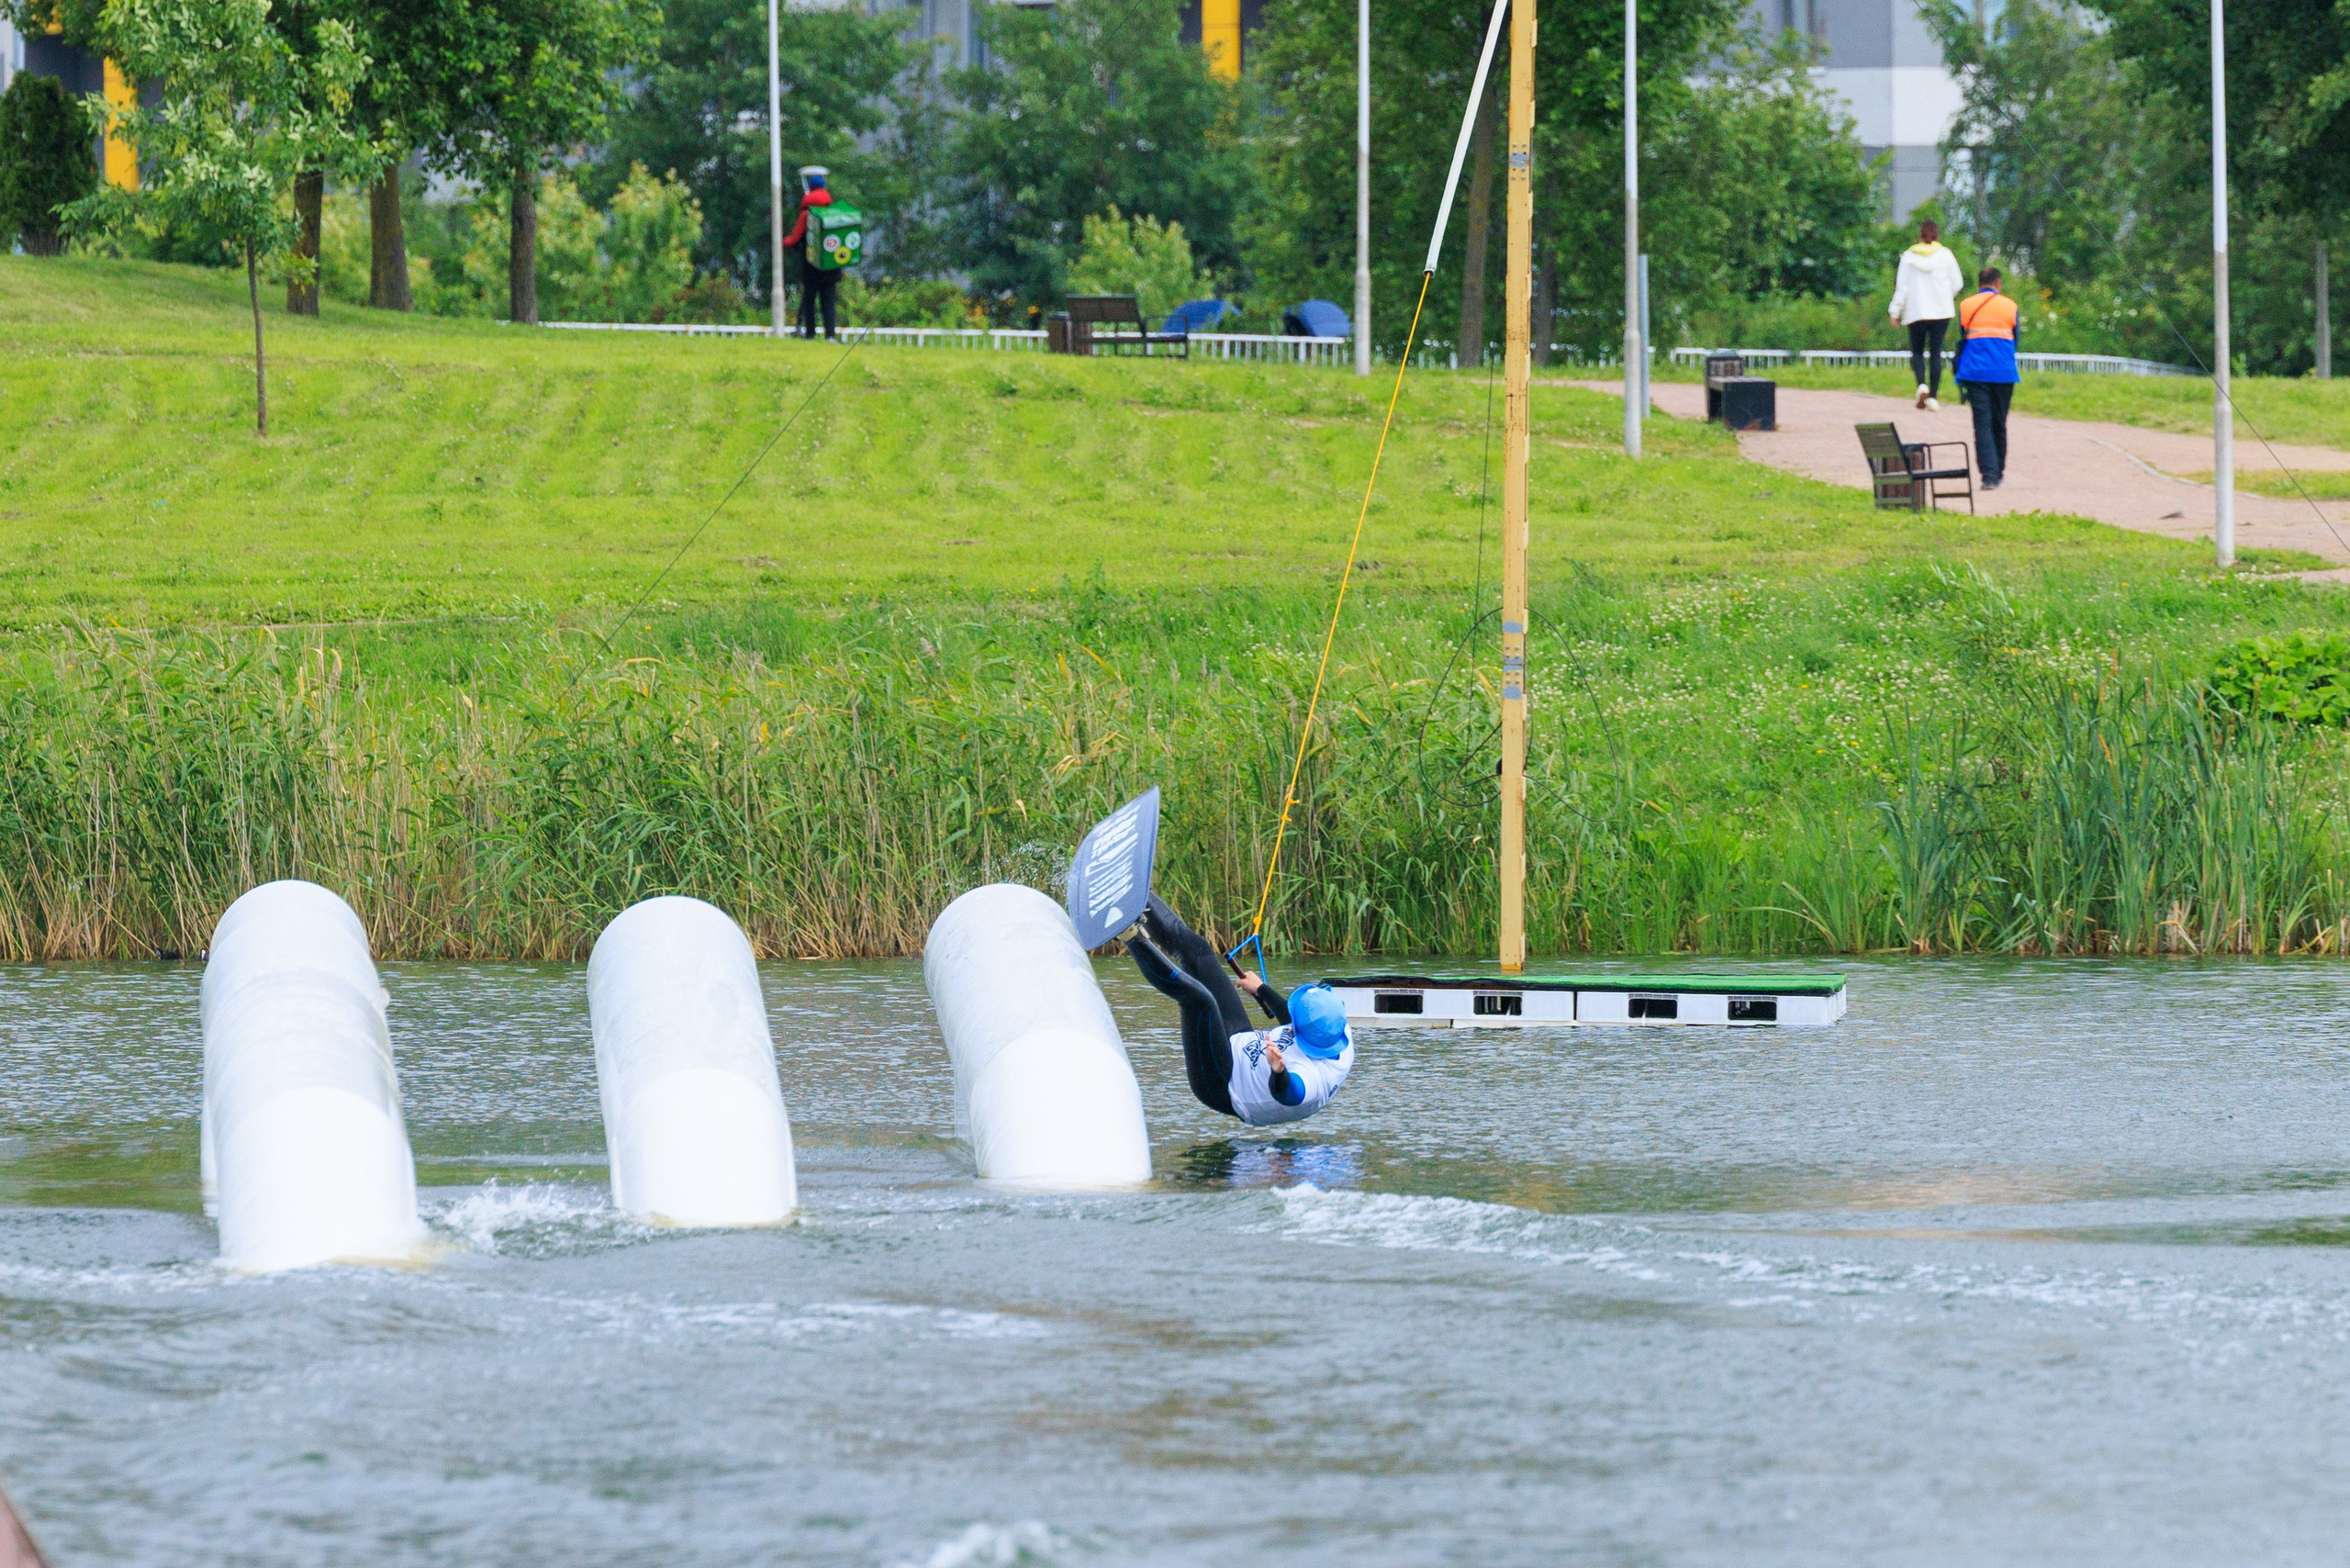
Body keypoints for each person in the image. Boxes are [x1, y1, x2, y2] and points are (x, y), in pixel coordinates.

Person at [1125, 894, 1356, 1126]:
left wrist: (1279, 1071)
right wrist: (1261, 989)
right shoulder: (1335, 1024)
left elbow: (1288, 1095)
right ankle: (1139, 895)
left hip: (1224, 1085)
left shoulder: (1315, 1078)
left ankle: (1128, 933)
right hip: (1240, 1040)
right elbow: (1292, 1017)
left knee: (1199, 1001)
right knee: (1198, 951)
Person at [1953, 265, 2021, 491]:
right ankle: (1998, 471)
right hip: (2003, 373)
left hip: (1975, 373)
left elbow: (1964, 338)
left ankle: (1989, 476)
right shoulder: (2010, 306)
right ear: (1998, 284)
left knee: (1981, 424)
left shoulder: (1966, 306)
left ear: (1979, 284)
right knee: (1999, 423)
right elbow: (2016, 340)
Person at [1887, 218, 1964, 412]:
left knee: (1917, 352)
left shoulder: (1908, 257)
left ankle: (1922, 385)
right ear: (1937, 235)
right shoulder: (1946, 255)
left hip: (1916, 311)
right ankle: (1934, 398)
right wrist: (1945, 297)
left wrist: (1895, 311)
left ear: (1920, 236)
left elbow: (1902, 287)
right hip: (1941, 311)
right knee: (1936, 352)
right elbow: (1958, 283)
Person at [783, 166, 839, 341]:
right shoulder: (833, 212)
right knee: (828, 301)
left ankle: (810, 333)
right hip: (831, 265)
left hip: (811, 265)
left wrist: (783, 242)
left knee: (810, 299)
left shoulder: (806, 213)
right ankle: (830, 335)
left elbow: (795, 238)